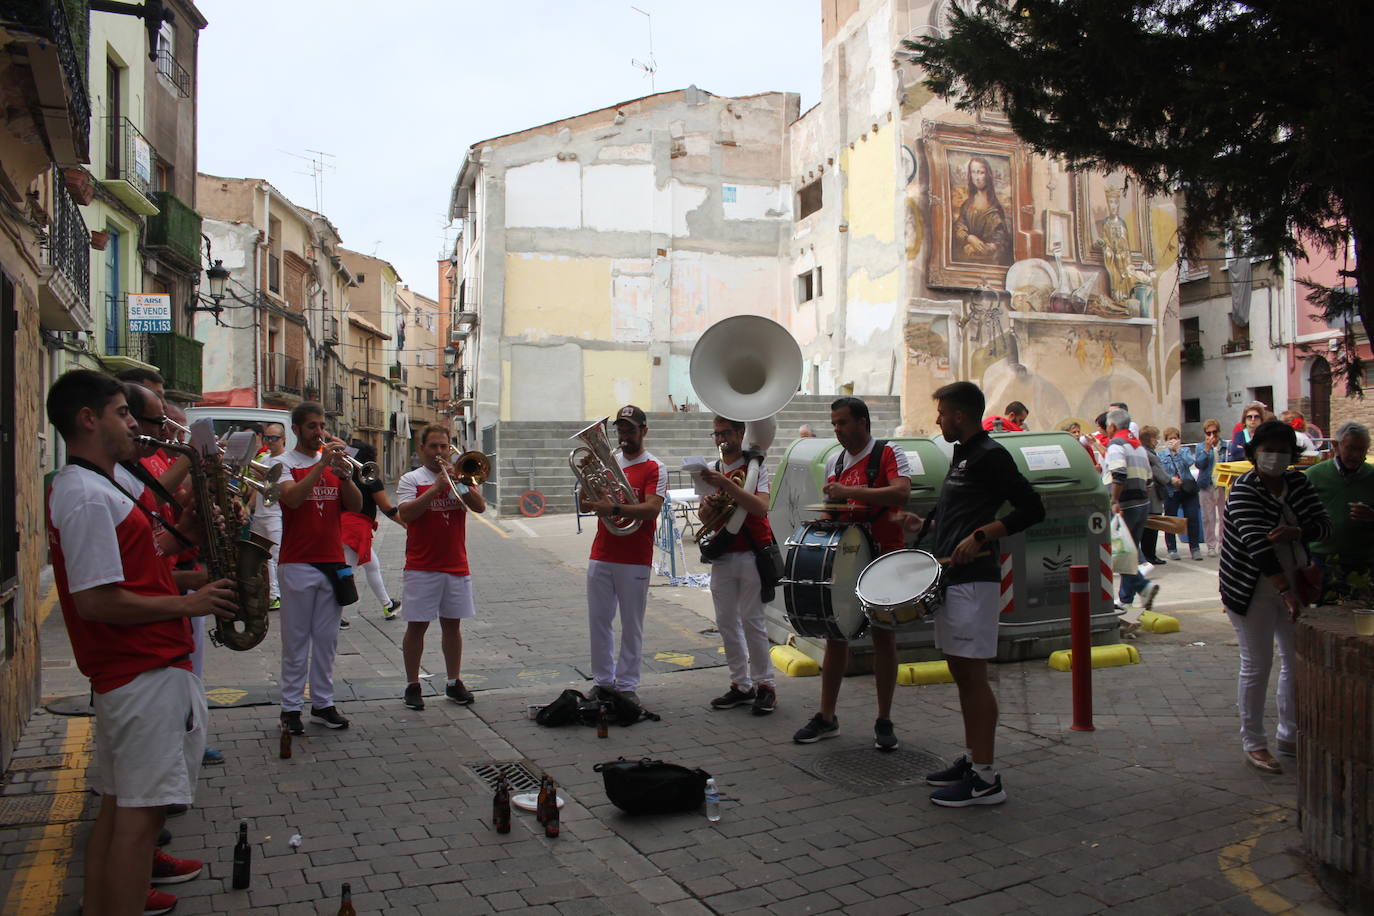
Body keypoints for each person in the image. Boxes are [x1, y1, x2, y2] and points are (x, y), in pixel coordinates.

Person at [45, 370, 237, 916]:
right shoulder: (84, 495)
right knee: (139, 822)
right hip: (140, 672)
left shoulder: (100, 485)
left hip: (141, 671)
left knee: (119, 813)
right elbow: (97, 602)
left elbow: (132, 574)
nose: (134, 423)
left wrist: (192, 549)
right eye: (122, 413)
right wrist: (188, 605)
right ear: (88, 419)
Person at [900, 382, 1044, 806]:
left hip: (975, 579)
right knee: (962, 672)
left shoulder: (991, 455)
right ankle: (972, 757)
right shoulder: (963, 453)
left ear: (960, 415)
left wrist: (983, 535)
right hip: (951, 576)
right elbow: (956, 508)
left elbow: (1032, 508)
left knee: (974, 676)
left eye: (942, 413)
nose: (938, 420)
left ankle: (986, 778)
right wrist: (921, 525)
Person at [792, 397, 912, 750]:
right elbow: (833, 507)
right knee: (835, 636)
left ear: (863, 422)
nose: (837, 430)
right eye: (833, 424)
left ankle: (884, 719)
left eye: (842, 423)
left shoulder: (890, 452)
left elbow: (902, 492)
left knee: (883, 639)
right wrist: (820, 523)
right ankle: (827, 716)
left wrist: (850, 492)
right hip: (847, 559)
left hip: (884, 557)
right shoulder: (836, 460)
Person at [1219, 420, 1330, 774]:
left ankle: (1289, 733)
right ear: (1253, 454)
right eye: (1268, 451)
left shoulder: (1298, 482)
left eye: (1283, 451)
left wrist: (1297, 531)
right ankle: (1254, 743)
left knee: (1294, 660)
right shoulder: (1243, 490)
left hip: (1295, 583)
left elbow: (1324, 524)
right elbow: (1258, 549)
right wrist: (1284, 592)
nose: (1276, 458)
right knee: (1257, 664)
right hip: (1250, 588)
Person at [270, 403, 362, 735]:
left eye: (321, 425)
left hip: (332, 562)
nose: (319, 432)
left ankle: (323, 703)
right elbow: (291, 499)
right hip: (297, 562)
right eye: (312, 426)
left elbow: (355, 506)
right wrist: (321, 464)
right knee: (296, 642)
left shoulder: (335, 467)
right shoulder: (281, 464)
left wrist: (346, 478)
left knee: (327, 640)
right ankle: (290, 707)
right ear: (295, 429)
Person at [577, 405, 666, 708]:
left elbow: (652, 508)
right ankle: (602, 682)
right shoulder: (608, 461)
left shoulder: (654, 466)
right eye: (620, 430)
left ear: (644, 431)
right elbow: (586, 505)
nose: (624, 436)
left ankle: (627, 684)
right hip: (602, 552)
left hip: (635, 555)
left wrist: (614, 509)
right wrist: (586, 477)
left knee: (631, 624)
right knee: (599, 621)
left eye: (630, 429)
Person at [395, 425, 486, 710]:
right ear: (422, 449)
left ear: (450, 449)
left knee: (452, 626)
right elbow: (406, 513)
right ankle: (412, 684)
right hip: (422, 565)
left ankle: (453, 681)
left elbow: (480, 507)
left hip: (455, 563)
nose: (439, 452)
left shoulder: (461, 477)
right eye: (433, 447)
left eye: (443, 447)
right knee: (417, 626)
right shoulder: (411, 479)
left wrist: (459, 482)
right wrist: (436, 488)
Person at [700, 416, 778, 716]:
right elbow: (710, 519)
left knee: (753, 621)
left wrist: (726, 487)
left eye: (726, 433)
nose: (721, 439)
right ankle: (740, 684)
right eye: (716, 434)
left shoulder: (755, 466)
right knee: (726, 623)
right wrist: (705, 511)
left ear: (741, 433)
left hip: (751, 554)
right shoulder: (713, 468)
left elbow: (760, 507)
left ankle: (766, 685)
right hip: (723, 555)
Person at [1304, 421, 1374, 595]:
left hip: (1363, 562)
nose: (1356, 455)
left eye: (1361, 450)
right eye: (1351, 448)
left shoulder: (1372, 476)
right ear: (1336, 445)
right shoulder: (1314, 475)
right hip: (1321, 559)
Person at [338, 440, 402, 628]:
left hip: (344, 526)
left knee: (372, 566)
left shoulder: (344, 475)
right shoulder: (370, 477)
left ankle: (387, 605)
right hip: (356, 529)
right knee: (348, 572)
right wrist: (407, 525)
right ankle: (335, 613)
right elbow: (387, 507)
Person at [1105, 408, 1159, 625]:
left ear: (1112, 426)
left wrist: (1115, 500)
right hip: (1141, 504)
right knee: (1129, 553)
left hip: (1124, 505)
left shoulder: (1116, 444)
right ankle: (1126, 600)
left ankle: (1143, 586)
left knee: (1119, 552)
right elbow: (1149, 481)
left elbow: (1118, 473)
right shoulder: (1138, 446)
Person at [250, 421, 288, 610]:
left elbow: (280, 491)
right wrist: (248, 506)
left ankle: (276, 595)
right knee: (259, 556)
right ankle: (267, 592)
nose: (270, 441)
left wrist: (263, 480)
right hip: (259, 514)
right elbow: (256, 490)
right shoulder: (264, 459)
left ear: (283, 440)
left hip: (275, 514)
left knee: (275, 556)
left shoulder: (286, 461)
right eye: (267, 438)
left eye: (274, 438)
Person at [952, 156, 1012, 265]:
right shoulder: (967, 204)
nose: (977, 177)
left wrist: (984, 248)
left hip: (989, 263)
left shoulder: (995, 208)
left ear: (988, 175)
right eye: (974, 172)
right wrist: (969, 238)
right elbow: (958, 227)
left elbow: (1001, 240)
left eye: (981, 172)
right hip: (965, 263)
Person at [1159, 427, 1203, 561]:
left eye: (1175, 438)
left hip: (1187, 489)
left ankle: (1195, 548)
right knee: (1171, 520)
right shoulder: (1161, 455)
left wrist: (1178, 452)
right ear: (1165, 441)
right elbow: (1162, 471)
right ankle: (1172, 548)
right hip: (1172, 491)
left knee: (1192, 518)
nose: (1173, 441)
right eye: (1170, 438)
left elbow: (1190, 462)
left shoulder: (1185, 451)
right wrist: (1172, 480)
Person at [1136, 426, 1171, 566]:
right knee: (1152, 527)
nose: (1157, 441)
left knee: (1146, 527)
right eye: (1156, 438)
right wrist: (1171, 480)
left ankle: (1147, 554)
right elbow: (1161, 475)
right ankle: (1150, 555)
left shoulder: (1140, 452)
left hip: (1144, 494)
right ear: (1151, 439)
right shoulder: (1150, 455)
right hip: (1153, 495)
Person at [1196, 419, 1226, 556]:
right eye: (1208, 433)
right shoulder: (1200, 447)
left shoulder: (1225, 446)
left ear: (1219, 432)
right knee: (1208, 517)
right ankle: (1211, 545)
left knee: (1224, 516)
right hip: (1206, 484)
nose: (1212, 435)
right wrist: (1207, 450)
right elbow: (1199, 464)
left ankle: (1223, 544)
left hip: (1222, 484)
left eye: (1214, 432)